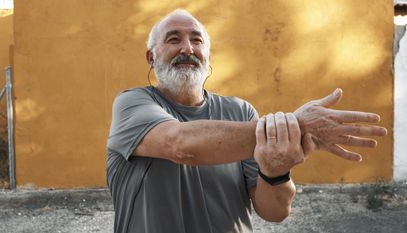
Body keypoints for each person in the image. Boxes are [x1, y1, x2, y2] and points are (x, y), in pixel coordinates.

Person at [106, 9, 387, 233]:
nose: (187, 48)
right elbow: (180, 144)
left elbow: (274, 212)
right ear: (151, 58)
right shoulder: (132, 103)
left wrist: (275, 168)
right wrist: (296, 126)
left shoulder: (241, 112)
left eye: (197, 40)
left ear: (207, 56)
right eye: (173, 39)